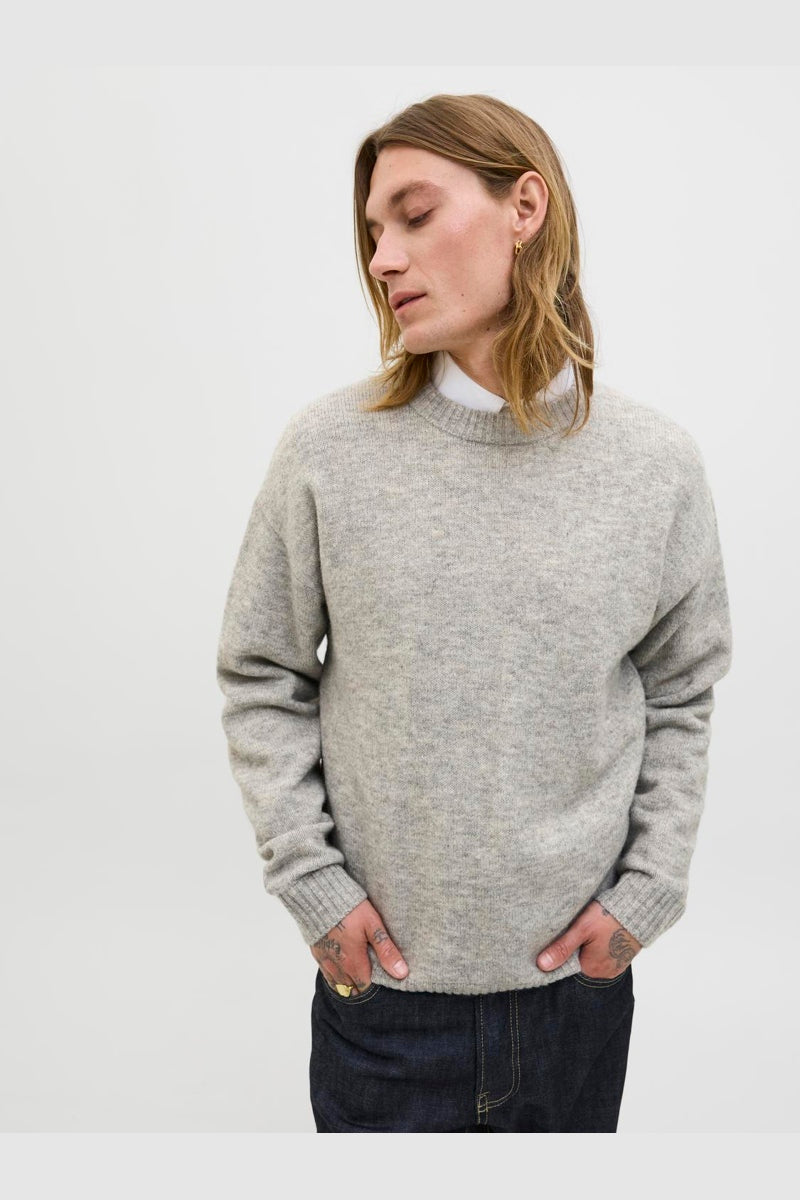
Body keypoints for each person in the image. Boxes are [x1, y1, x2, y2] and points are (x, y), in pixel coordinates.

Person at [215, 92, 733, 1133]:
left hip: (577, 1002)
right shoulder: (327, 453)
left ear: (523, 208)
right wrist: (314, 885)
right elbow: (262, 674)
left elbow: (681, 689)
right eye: (373, 231)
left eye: (414, 215)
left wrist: (644, 893)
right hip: (384, 1000)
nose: (381, 258)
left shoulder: (654, 466)